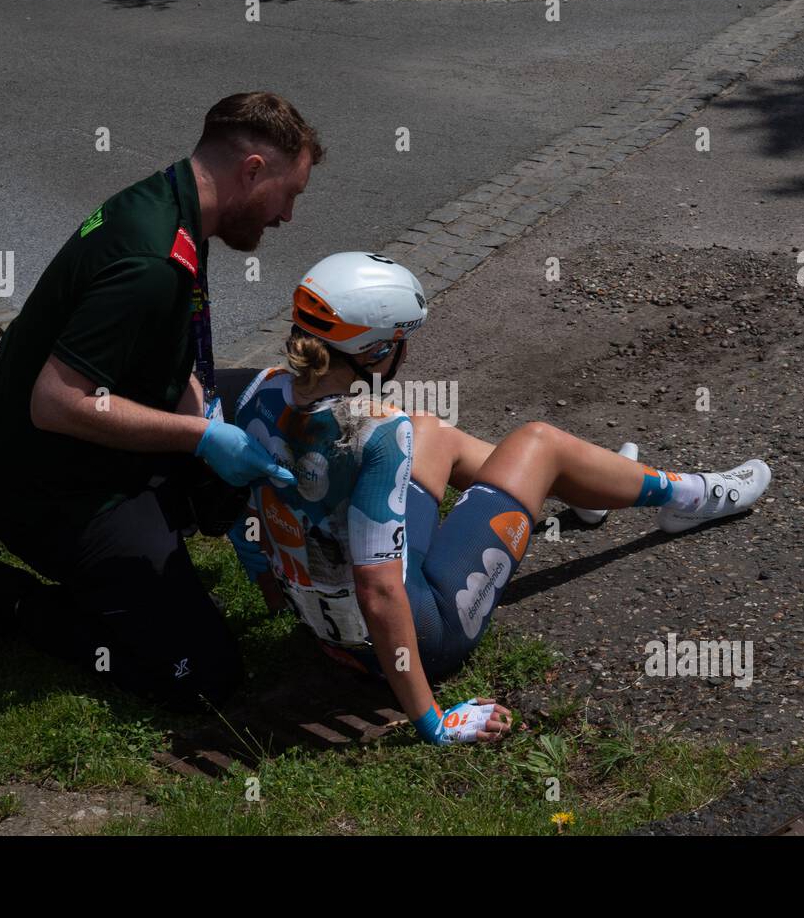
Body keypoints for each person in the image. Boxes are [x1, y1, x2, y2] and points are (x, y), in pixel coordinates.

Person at [229, 252, 772, 745]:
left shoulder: (260, 394)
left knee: (431, 430)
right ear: (376, 351)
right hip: (419, 635)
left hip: (326, 632)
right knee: (539, 442)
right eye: (401, 340)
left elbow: (239, 515)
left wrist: (273, 596)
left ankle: (592, 489)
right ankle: (685, 496)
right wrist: (433, 724)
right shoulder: (377, 431)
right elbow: (378, 591)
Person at [0, 92, 324, 712]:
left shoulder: (174, 203)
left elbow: (166, 349)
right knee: (204, 674)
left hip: (80, 451)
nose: (287, 215)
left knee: (267, 396)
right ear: (252, 171)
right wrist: (201, 438)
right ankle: (2, 597)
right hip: (55, 494)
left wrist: (201, 411)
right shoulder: (151, 257)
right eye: (290, 193)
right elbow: (55, 402)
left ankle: (186, 517)